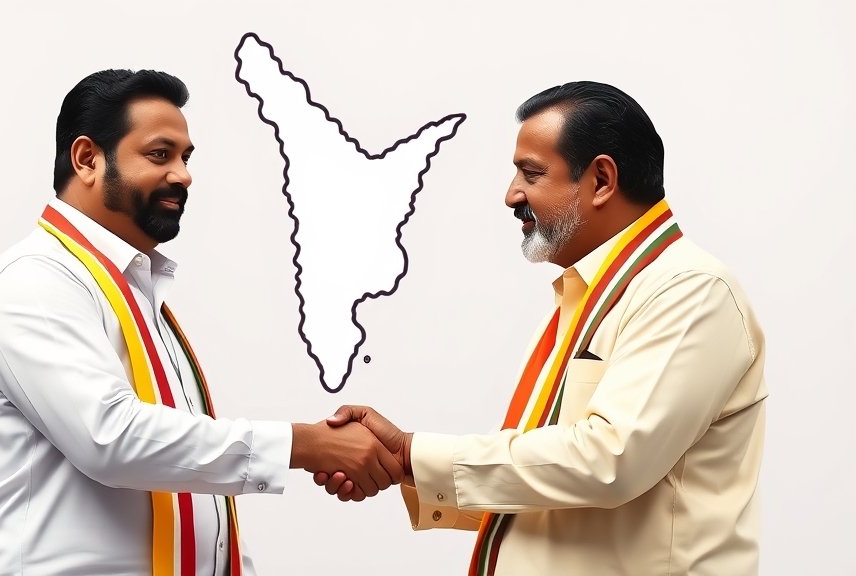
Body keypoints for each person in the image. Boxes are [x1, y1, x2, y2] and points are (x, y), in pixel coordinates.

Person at [0, 69, 402, 576]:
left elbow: (189, 492)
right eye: (159, 154)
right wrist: (305, 444)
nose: (183, 175)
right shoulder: (33, 283)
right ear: (87, 159)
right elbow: (112, 439)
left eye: (186, 158)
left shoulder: (134, 295)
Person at [316, 81, 768, 575]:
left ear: (600, 180)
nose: (512, 194)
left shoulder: (689, 290)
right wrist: (410, 462)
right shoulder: (589, 293)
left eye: (531, 174)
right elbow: (552, 484)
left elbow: (609, 461)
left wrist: (410, 456)